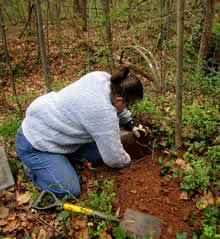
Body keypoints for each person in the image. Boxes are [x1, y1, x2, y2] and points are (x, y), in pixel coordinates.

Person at [15, 65, 146, 198]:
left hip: (56, 126)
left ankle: (62, 159)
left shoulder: (103, 78)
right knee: (70, 190)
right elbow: (114, 159)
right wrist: (131, 164)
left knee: (96, 156)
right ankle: (34, 169)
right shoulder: (102, 113)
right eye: (128, 105)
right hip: (35, 142)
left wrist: (130, 122)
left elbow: (118, 105)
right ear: (119, 99)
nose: (127, 108)